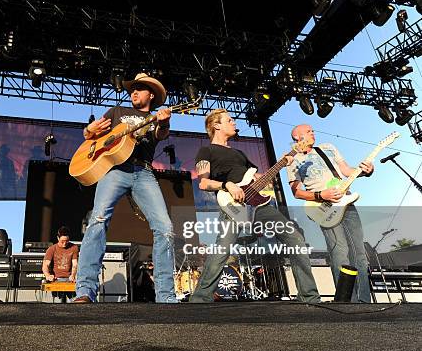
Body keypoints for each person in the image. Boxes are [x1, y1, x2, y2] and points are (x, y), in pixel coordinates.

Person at [189, 109, 320, 303]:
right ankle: (200, 298)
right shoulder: (206, 151)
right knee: (222, 250)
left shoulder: (239, 153)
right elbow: (203, 183)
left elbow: (258, 179)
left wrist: (283, 163)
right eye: (229, 120)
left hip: (260, 206)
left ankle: (309, 296)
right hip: (232, 206)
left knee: (295, 239)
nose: (234, 122)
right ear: (216, 125)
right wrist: (227, 184)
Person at [74, 73, 178, 303]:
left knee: (165, 228)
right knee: (98, 220)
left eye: (139, 89)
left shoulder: (154, 118)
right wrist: (89, 129)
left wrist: (164, 123)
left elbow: (161, 134)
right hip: (114, 170)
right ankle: (84, 292)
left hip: (143, 172)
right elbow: (90, 135)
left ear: (151, 95)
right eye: (133, 89)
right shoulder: (117, 112)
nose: (134, 92)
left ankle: (166, 296)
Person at [288, 124, 373, 303]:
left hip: (346, 202)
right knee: (340, 251)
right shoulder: (292, 159)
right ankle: (347, 301)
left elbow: (346, 171)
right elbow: (296, 192)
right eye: (308, 131)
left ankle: (365, 301)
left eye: (313, 130)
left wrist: (364, 171)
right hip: (323, 207)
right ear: (297, 136)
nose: (313, 132)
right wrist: (321, 195)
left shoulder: (328, 148)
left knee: (359, 253)